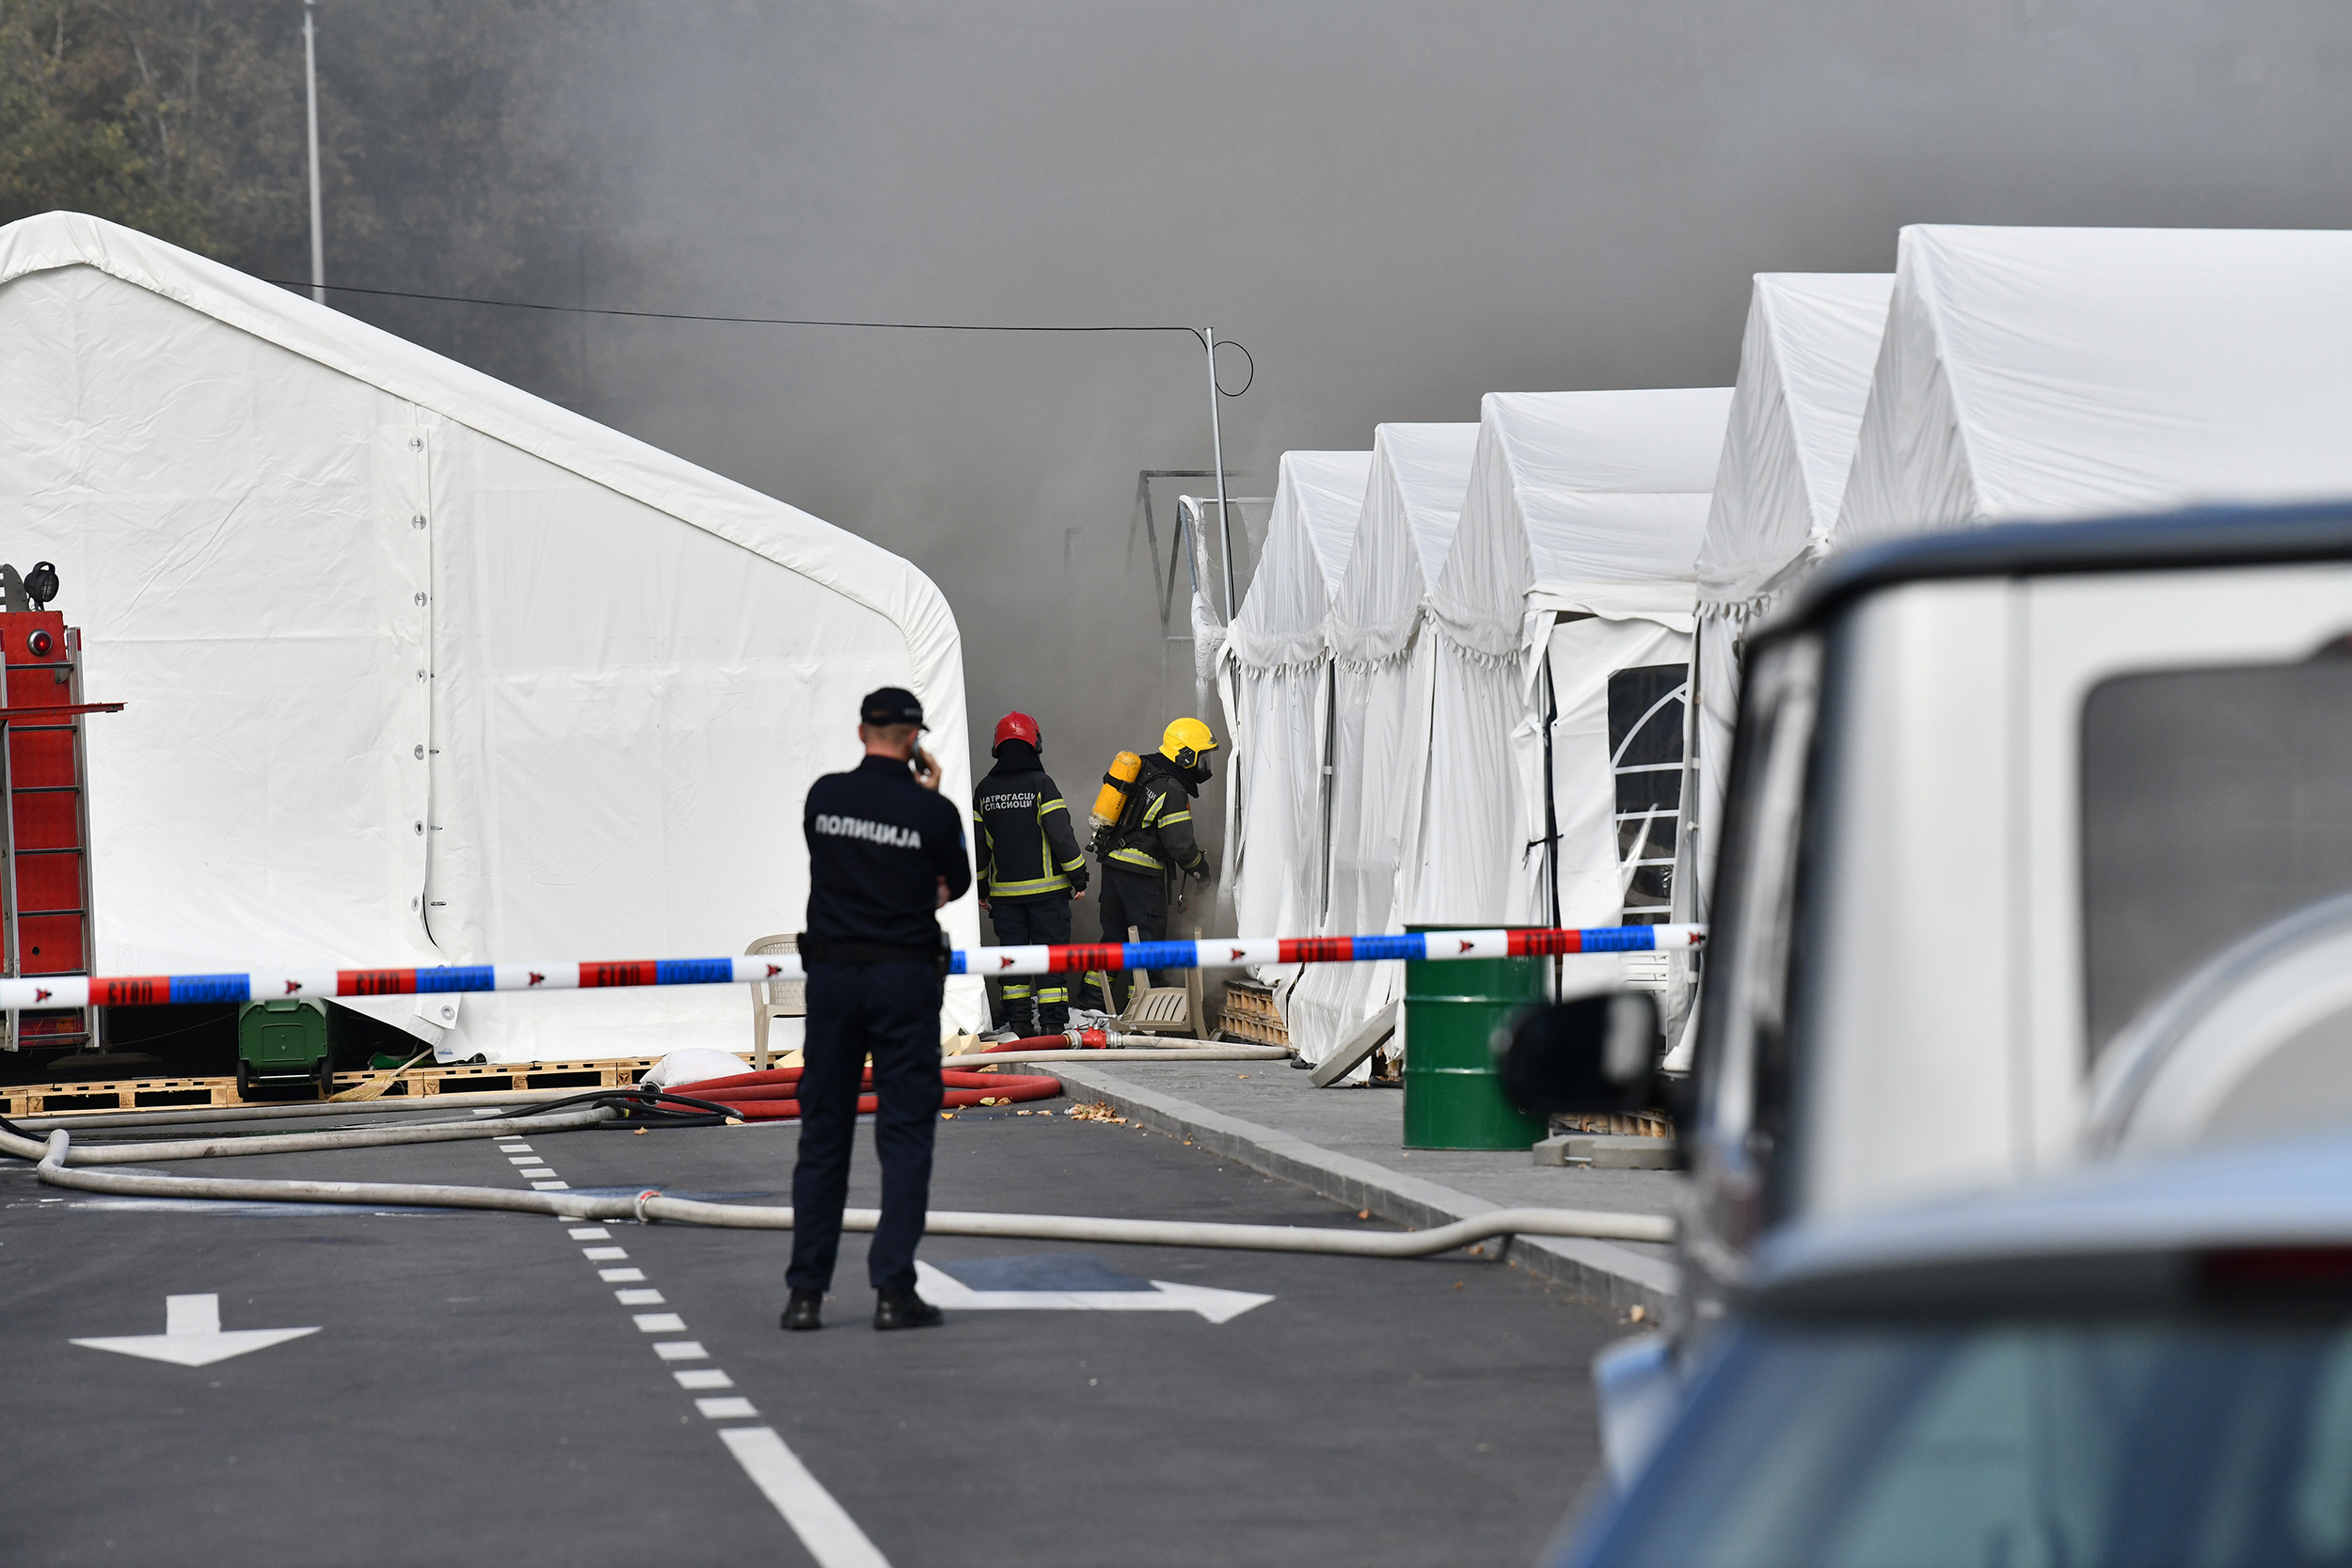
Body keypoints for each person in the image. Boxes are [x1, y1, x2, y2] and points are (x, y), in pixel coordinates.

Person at [783, 686, 971, 1334]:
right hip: (903, 980)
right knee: (906, 1131)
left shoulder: (825, 797)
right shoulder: (932, 812)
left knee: (824, 1131)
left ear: (863, 730)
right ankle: (894, 1288)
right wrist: (926, 798)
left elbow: (834, 862)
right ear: (915, 738)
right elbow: (951, 885)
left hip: (833, 979)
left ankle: (805, 1292)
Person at [972, 712, 1089, 1038]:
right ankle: (1052, 1026)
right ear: (1034, 743)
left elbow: (980, 849)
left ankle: (1020, 1027)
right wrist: (1079, 875)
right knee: (1051, 960)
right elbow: (1061, 836)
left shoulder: (984, 790)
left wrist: (982, 889)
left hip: (1005, 899)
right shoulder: (1041, 784)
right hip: (1048, 897)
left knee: (1014, 962)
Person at [1094, 717, 1216, 1009]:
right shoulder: (1172, 789)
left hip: (1112, 866)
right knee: (1148, 945)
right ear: (1185, 756)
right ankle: (1143, 1014)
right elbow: (1181, 845)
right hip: (1142, 875)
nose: (1203, 767)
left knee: (1113, 938)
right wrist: (1201, 872)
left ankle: (1091, 1004)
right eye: (1201, 758)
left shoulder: (1143, 770)